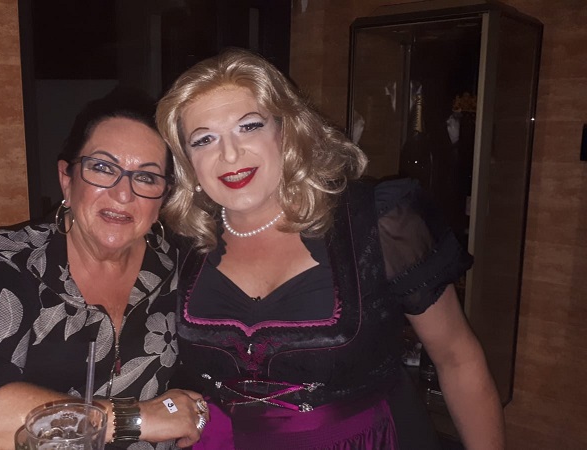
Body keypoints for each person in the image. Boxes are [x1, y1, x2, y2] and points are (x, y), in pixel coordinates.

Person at [156, 48, 505, 449]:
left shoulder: (378, 220)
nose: (230, 154)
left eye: (249, 126)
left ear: (286, 130)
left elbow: (458, 358)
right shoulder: (181, 243)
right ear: (187, 160)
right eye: (204, 139)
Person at [0, 88, 209, 450]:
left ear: (163, 197)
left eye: (146, 177)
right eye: (102, 168)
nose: (123, 194)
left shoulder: (178, 263)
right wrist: (138, 418)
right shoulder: (10, 258)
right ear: (67, 181)